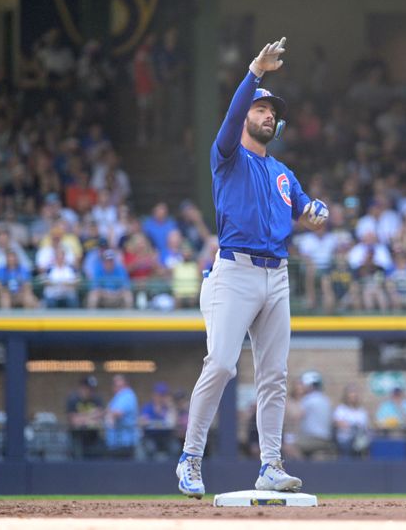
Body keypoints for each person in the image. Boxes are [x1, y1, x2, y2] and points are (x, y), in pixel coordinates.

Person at [177, 37, 329, 499]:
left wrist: (316, 209)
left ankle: (269, 464)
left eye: (271, 112)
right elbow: (229, 118)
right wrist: (255, 74)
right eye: (260, 108)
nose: (267, 114)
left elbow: (305, 206)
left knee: (275, 376)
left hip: (276, 275)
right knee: (221, 364)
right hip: (234, 272)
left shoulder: (282, 172)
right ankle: (190, 458)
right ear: (245, 116)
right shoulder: (227, 157)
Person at [296, 370, 334, 459]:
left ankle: (299, 469)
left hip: (313, 439)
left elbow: (297, 416)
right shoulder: (326, 399)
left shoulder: (308, 399)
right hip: (326, 439)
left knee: (289, 446)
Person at [66, 376, 105, 458]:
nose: (91, 391)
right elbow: (74, 421)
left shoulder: (97, 399)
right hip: (77, 440)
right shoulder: (73, 399)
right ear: (82, 388)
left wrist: (82, 418)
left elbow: (100, 416)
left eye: (92, 389)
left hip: (94, 439)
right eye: (89, 388)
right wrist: (91, 416)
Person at [139, 382, 178, 458]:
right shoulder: (148, 407)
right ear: (154, 395)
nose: (161, 398)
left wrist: (170, 406)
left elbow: (174, 423)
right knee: (149, 448)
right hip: (151, 437)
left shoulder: (169, 408)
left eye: (164, 395)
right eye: (159, 395)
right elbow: (142, 421)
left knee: (175, 448)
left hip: (166, 438)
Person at [105, 374, 139, 458]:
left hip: (125, 443)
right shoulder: (117, 397)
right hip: (115, 444)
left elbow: (118, 413)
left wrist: (108, 415)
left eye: (121, 385)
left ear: (126, 385)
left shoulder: (127, 395)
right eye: (116, 385)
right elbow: (108, 411)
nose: (118, 388)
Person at [332, 384, 371, 458]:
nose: (353, 398)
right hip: (345, 439)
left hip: (360, 440)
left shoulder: (361, 412)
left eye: (355, 396)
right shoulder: (341, 409)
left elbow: (366, 427)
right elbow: (336, 422)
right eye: (351, 396)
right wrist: (351, 426)